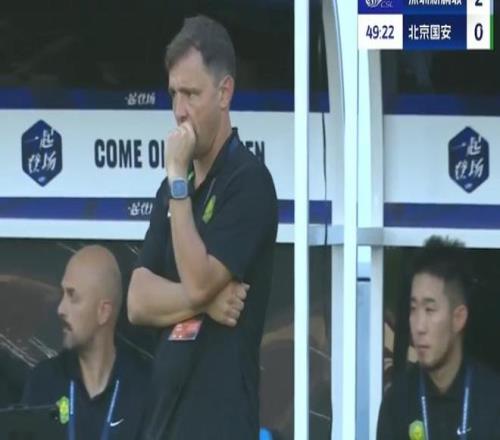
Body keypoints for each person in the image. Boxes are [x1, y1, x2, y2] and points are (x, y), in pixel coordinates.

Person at [127, 14, 278, 440]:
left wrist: (178, 181)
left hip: (220, 420)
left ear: (224, 92)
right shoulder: (172, 188)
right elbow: (137, 301)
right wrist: (205, 303)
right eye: (173, 94)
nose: (179, 111)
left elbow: (197, 280)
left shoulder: (248, 181)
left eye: (191, 94)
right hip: (164, 420)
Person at [377, 236, 500, 439]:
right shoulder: (397, 403)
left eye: (429, 309)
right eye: (413, 308)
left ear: (458, 318)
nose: (419, 326)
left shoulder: (492, 401)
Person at [22, 245, 150, 440]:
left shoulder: (144, 386)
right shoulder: (44, 381)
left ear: (103, 312)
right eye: (62, 294)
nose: (61, 309)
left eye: (72, 296)